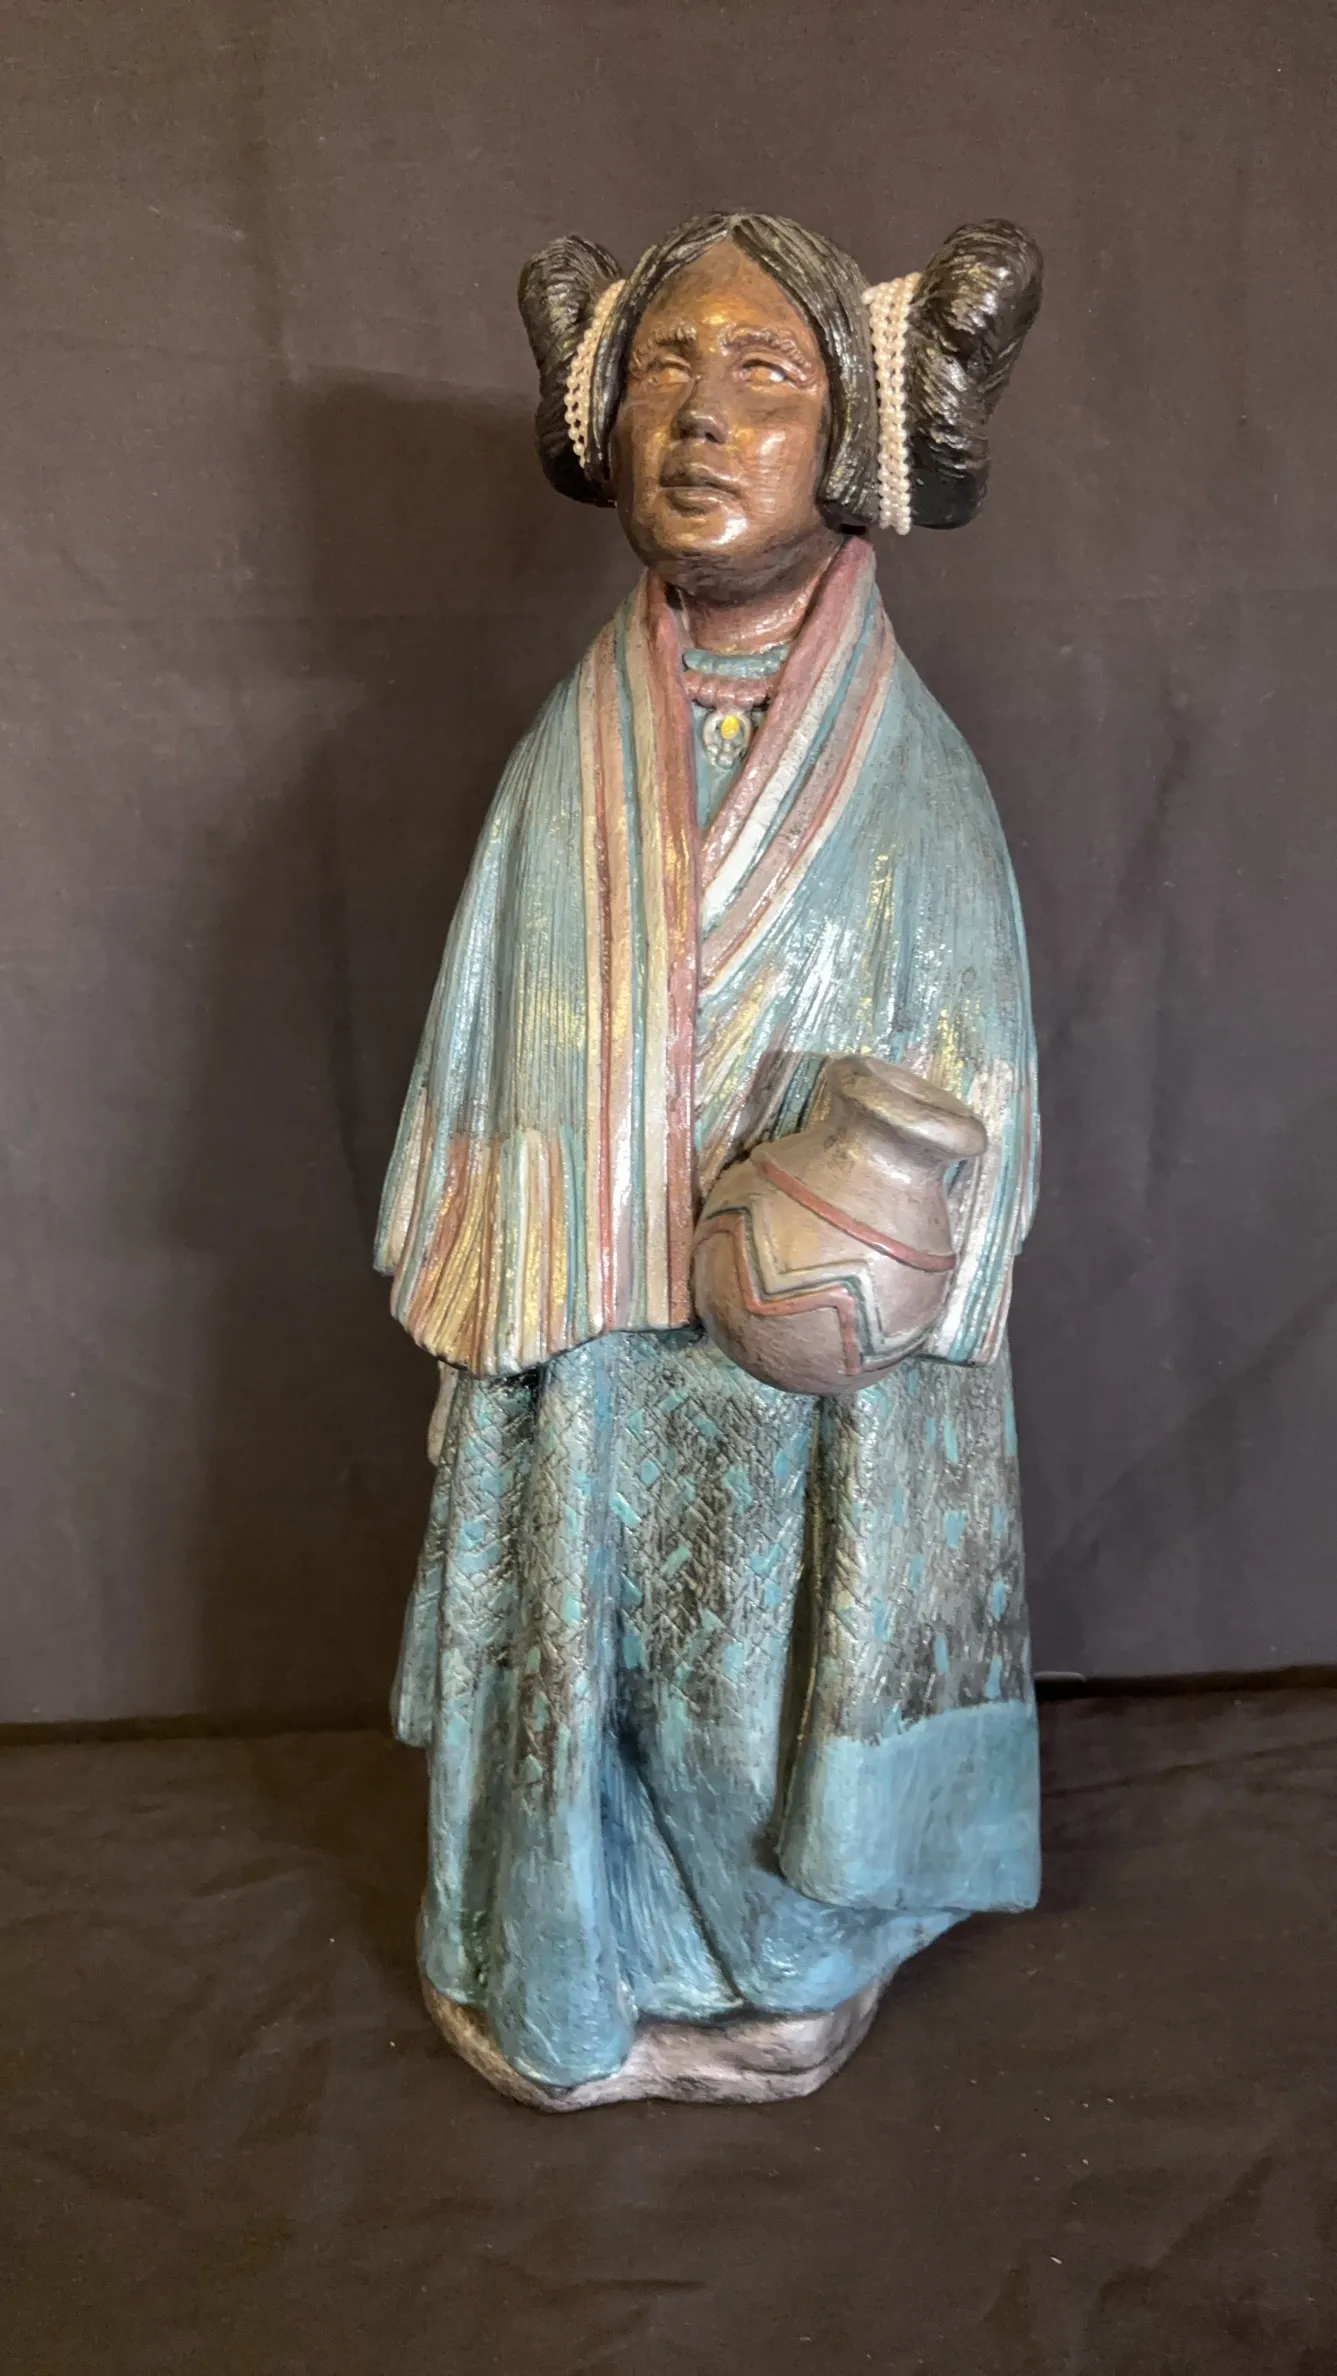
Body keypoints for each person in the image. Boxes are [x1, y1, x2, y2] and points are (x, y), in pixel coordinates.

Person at [376, 211, 1044, 2107]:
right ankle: (564, 1956)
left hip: (799, 1381)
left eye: (765, 376)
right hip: (592, 1339)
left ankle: (786, 1964)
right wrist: (525, 1253)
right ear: (607, 420)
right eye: (666, 366)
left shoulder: (918, 787)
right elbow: (493, 1057)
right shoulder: (562, 764)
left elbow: (973, 1096)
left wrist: (876, 1238)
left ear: (849, 441)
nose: (702, 418)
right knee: (579, 1644)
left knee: (766, 1675)